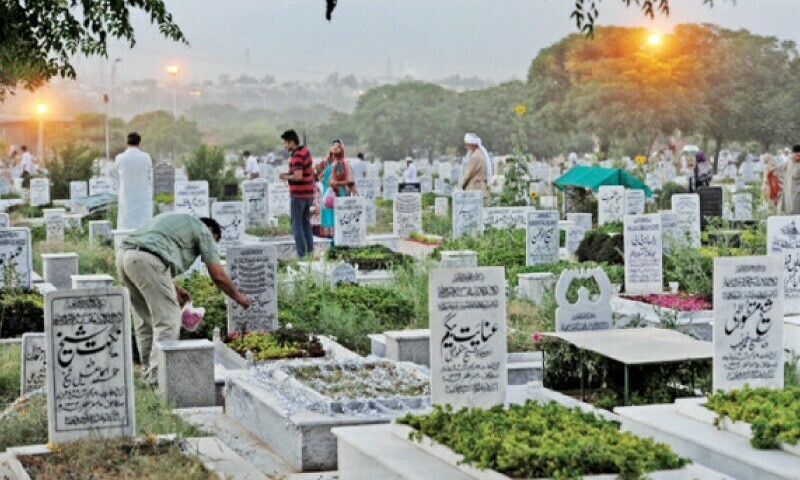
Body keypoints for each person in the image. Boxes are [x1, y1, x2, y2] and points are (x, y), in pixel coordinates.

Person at [117, 213, 251, 375]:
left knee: (145, 319)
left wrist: (174, 289)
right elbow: (218, 276)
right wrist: (239, 297)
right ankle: (157, 376)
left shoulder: (178, 222)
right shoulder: (204, 231)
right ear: (213, 234)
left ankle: (147, 371)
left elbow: (152, 254)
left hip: (124, 256)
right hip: (145, 260)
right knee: (169, 320)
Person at [278, 129, 315, 257]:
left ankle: (301, 254)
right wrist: (288, 175)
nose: (285, 146)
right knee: (305, 223)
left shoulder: (296, 155)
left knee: (296, 224)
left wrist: (285, 177)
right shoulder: (305, 151)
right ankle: (310, 252)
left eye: (286, 143)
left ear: (292, 142)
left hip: (298, 194)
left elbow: (298, 176)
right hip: (308, 193)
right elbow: (304, 173)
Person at [112, 132, 154, 230]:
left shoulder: (120, 158)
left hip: (126, 195)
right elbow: (149, 175)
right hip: (142, 195)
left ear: (126, 143)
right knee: (144, 224)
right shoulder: (146, 157)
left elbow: (114, 176)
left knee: (126, 224)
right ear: (139, 143)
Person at [461, 133, 489, 198]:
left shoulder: (475, 156)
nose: (466, 146)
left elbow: (469, 173)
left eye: (467, 144)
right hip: (481, 186)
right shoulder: (480, 153)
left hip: (475, 186)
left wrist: (462, 185)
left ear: (472, 144)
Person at [780, 145, 800, 214]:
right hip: (788, 192)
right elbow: (780, 169)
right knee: (789, 213)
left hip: (797, 193)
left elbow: (795, 174)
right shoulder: (789, 161)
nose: (797, 157)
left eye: (799, 155)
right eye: (795, 154)